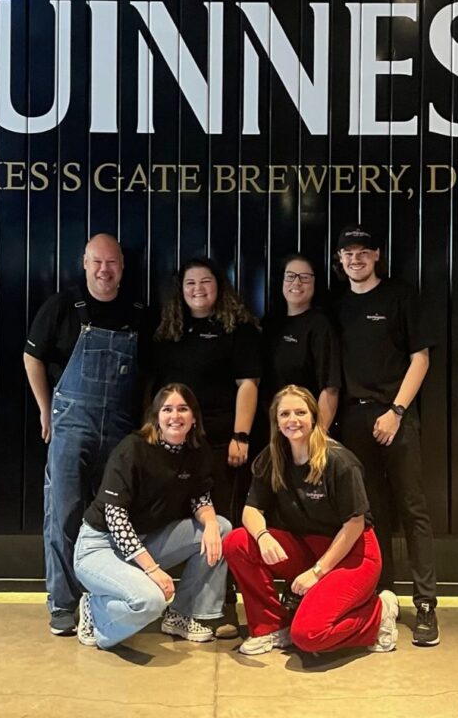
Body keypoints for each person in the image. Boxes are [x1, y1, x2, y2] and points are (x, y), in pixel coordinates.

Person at [23, 233, 148, 636]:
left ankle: (102, 601)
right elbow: (32, 357)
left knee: (113, 517)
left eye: (111, 262)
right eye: (97, 262)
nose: (104, 270)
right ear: (84, 263)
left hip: (121, 426)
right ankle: (62, 605)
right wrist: (47, 409)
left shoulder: (138, 311)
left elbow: (149, 375)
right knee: (64, 515)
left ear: (122, 266)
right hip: (71, 422)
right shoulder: (63, 305)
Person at [222, 385, 398, 655]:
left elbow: (354, 525)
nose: (293, 420)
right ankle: (271, 627)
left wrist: (317, 573)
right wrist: (263, 536)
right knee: (237, 542)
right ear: (276, 422)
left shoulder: (339, 461)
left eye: (300, 412)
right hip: (306, 547)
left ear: (314, 417)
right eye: (285, 414)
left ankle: (379, 614)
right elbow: (251, 511)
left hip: (352, 554)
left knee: (309, 635)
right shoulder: (272, 458)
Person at [333, 224, 440, 647]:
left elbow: (421, 358)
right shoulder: (337, 305)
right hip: (353, 421)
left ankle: (427, 605)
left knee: (413, 509)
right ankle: (383, 601)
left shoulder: (401, 296)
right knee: (370, 515)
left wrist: (397, 411)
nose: (355, 259)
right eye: (348, 253)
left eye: (363, 251)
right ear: (339, 260)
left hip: (396, 417)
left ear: (376, 255)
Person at [73, 384, 232, 649]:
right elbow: (116, 520)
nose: (175, 416)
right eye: (167, 409)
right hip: (100, 547)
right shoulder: (132, 449)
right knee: (151, 601)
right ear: (156, 416)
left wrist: (212, 522)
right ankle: (95, 610)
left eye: (183, 409)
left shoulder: (196, 450)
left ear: (194, 418)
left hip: (145, 541)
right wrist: (153, 570)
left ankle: (182, 614)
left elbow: (199, 497)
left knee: (223, 529)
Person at [153, 256, 262, 637]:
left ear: (220, 287)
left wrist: (241, 435)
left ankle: (224, 608)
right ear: (180, 291)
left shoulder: (239, 329)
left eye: (206, 282)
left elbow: (247, 384)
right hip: (176, 443)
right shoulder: (169, 331)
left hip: (221, 442)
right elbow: (156, 392)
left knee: (223, 523)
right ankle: (180, 605)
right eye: (190, 284)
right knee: (184, 525)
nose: (198, 290)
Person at [263, 253, 340, 432]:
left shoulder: (320, 324)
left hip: (304, 429)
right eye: (290, 276)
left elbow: (330, 388)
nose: (296, 283)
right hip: (272, 429)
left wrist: (317, 437)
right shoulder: (270, 323)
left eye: (304, 278)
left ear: (315, 283)